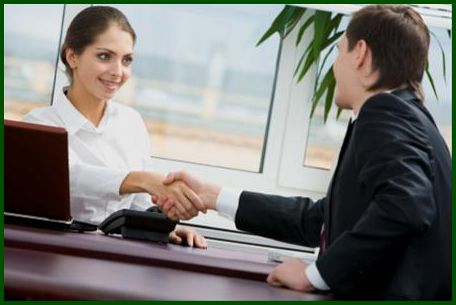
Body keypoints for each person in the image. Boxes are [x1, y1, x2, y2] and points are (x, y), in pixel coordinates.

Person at [155, 5, 451, 299]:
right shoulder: (415, 119)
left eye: (338, 51)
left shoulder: (384, 113)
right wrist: (214, 196)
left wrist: (315, 276)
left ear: (360, 54)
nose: (335, 66)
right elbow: (320, 220)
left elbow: (407, 207)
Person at [24, 6, 207, 248]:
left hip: (116, 255)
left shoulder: (131, 123)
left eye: (127, 60)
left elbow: (140, 204)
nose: (118, 72)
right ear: (72, 57)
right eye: (104, 56)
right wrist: (140, 179)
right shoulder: (38, 124)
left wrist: (165, 225)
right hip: (53, 252)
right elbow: (70, 177)